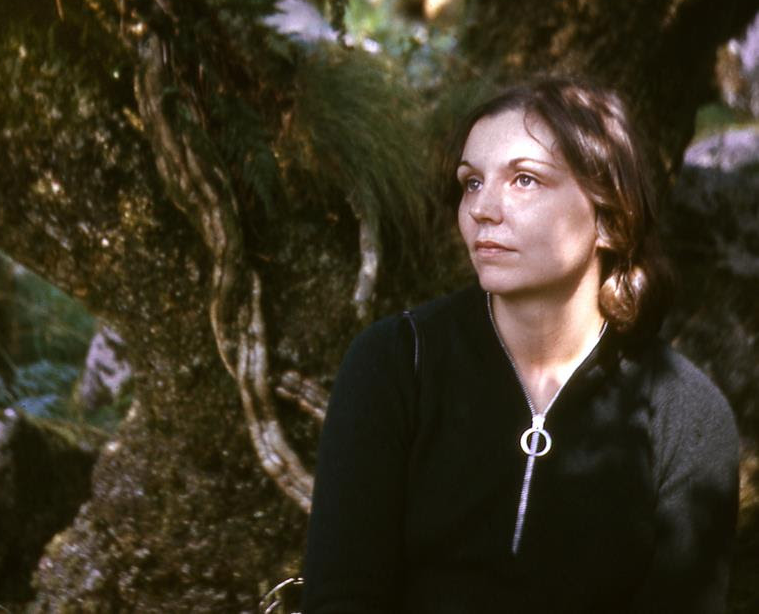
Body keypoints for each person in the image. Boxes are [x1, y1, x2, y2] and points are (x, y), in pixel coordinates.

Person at [301, 77, 739, 614]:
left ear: (609, 217)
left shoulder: (686, 417)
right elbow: (342, 596)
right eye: (471, 183)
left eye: (525, 180)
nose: (483, 209)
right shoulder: (395, 362)